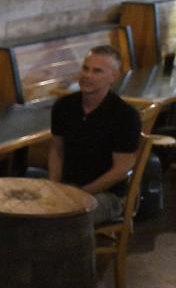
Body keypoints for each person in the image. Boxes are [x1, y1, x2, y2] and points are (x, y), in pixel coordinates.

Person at [49, 45, 141, 225]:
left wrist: (81, 192)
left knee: (67, 218)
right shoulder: (64, 106)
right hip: (68, 186)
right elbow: (56, 150)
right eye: (85, 68)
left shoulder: (125, 115)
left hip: (107, 194)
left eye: (97, 71)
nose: (87, 75)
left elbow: (120, 170)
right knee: (26, 208)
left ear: (113, 77)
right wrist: (54, 185)